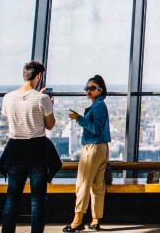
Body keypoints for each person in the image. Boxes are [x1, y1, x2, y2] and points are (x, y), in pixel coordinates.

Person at [0, 61, 61, 233]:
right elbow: (50, 125)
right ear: (39, 76)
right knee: (38, 199)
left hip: (15, 149)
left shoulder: (8, 97)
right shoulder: (43, 98)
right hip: (36, 150)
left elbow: (9, 118)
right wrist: (49, 106)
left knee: (12, 197)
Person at [63, 75, 111, 232]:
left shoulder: (98, 106)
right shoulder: (100, 105)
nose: (88, 91)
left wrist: (79, 118)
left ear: (100, 90)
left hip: (92, 148)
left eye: (91, 88)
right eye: (86, 88)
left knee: (83, 184)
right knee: (97, 185)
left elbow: (96, 129)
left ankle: (77, 221)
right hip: (102, 148)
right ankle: (95, 219)